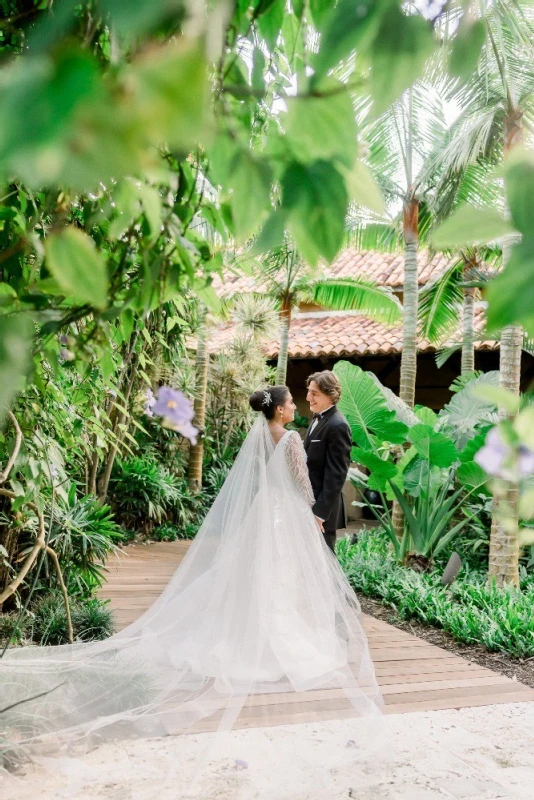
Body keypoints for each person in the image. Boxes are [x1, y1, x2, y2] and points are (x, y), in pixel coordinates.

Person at [0, 385, 382, 773]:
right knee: (281, 580)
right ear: (280, 409)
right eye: (290, 401)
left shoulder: (260, 435)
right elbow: (302, 483)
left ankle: (251, 638)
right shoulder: (292, 439)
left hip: (263, 513)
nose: (296, 404)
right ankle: (277, 647)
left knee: (257, 578)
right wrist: (310, 511)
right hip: (286, 514)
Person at [305, 371, 352, 553]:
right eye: (309, 391)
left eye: (315, 393)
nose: (309, 397)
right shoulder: (317, 418)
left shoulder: (338, 425)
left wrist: (319, 514)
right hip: (308, 503)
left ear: (331, 395)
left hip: (323, 510)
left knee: (324, 564)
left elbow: (336, 475)